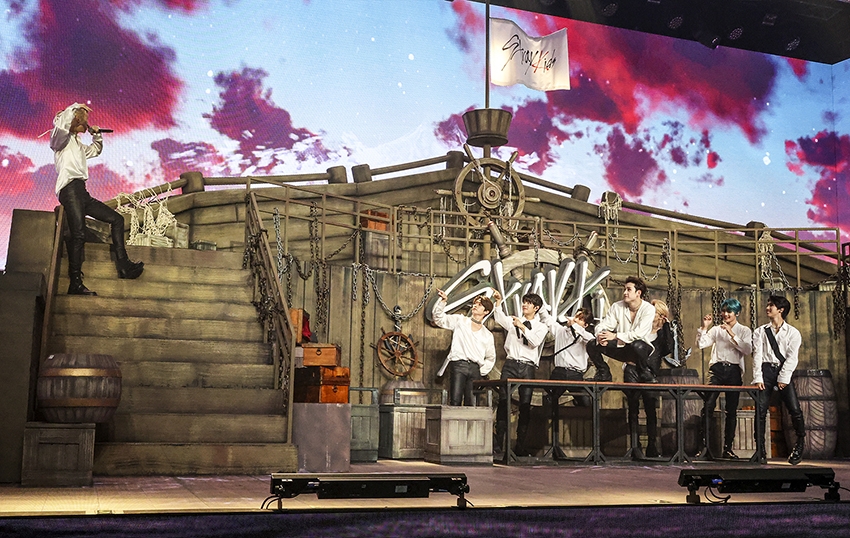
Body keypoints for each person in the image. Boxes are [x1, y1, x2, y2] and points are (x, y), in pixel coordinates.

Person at [50, 103, 144, 296]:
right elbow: (63, 124)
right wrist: (75, 107)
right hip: (69, 189)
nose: (83, 123)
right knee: (78, 234)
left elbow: (95, 150)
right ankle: (75, 283)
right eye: (80, 119)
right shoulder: (59, 140)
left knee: (117, 219)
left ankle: (124, 265)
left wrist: (97, 135)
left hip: (81, 191)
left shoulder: (77, 144)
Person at [492, 291, 548, 457]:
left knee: (525, 405)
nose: (524, 305)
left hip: (527, 367)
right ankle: (499, 444)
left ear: (536, 308)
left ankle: (520, 446)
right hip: (511, 363)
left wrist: (522, 327)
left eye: (528, 303)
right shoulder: (514, 321)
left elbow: (534, 342)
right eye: (524, 302)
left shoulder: (541, 327)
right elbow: (499, 317)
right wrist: (498, 302)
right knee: (503, 401)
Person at [695, 298, 753, 459]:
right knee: (708, 406)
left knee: (731, 410)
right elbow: (701, 344)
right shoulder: (716, 329)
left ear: (737, 313)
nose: (726, 314)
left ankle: (728, 448)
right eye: (724, 311)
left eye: (729, 312)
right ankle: (704, 447)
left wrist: (731, 333)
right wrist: (704, 327)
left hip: (734, 370)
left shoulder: (744, 330)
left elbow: (747, 349)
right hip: (717, 369)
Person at [752, 295, 805, 465]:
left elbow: (792, 358)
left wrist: (783, 377)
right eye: (768, 305)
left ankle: (800, 444)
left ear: (781, 310)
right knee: (760, 411)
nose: (768, 308)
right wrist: (758, 377)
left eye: (771, 305)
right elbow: (757, 356)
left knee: (794, 409)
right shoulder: (760, 331)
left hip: (784, 371)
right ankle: (760, 450)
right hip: (766, 371)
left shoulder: (793, 333)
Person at [540, 307, 594, 460]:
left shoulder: (586, 335)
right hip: (559, 372)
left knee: (587, 405)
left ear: (585, 324)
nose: (576, 319)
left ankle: (588, 444)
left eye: (580, 319)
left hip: (576, 375)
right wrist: (542, 307)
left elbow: (591, 340)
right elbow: (547, 319)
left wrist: (575, 326)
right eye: (576, 316)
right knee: (549, 402)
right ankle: (549, 443)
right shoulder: (560, 330)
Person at [622, 299, 672, 460]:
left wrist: (666, 326)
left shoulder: (661, 334)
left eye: (654, 312)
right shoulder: (639, 328)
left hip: (650, 374)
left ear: (660, 315)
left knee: (651, 410)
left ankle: (652, 446)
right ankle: (635, 447)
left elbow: (669, 348)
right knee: (633, 409)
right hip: (633, 370)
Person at [431, 290, 496, 406]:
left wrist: (481, 371)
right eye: (475, 303)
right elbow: (439, 319)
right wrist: (443, 301)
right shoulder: (460, 321)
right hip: (459, 365)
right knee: (455, 400)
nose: (475, 306)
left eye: (479, 305)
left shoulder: (487, 335)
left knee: (472, 403)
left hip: (475, 368)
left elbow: (491, 358)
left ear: (486, 311)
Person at [586, 276, 656, 383]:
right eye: (624, 289)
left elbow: (638, 334)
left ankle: (643, 372)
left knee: (637, 345)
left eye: (629, 290)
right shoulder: (617, 306)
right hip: (622, 347)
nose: (625, 293)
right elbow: (604, 324)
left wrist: (615, 336)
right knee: (592, 344)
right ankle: (604, 373)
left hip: (640, 350)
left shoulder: (649, 309)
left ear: (638, 293)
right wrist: (601, 335)